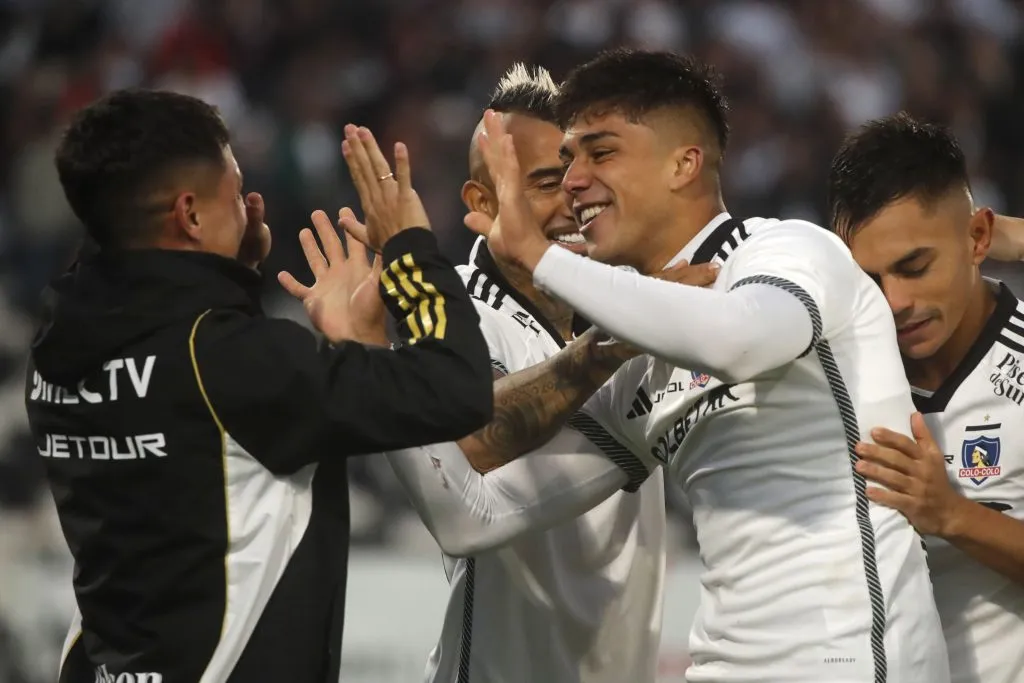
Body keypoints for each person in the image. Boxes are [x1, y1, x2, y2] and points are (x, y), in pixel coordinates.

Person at [464, 49, 950, 682]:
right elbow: (473, 507)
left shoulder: (790, 251)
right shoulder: (636, 359)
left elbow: (739, 341)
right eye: (567, 161)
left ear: (684, 163)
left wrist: (541, 257)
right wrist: (364, 345)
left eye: (600, 153)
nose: (574, 181)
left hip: (850, 662)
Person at [23, 89, 493, 683]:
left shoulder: (57, 347)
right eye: (235, 193)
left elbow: (179, 387)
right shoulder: (235, 363)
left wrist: (225, 274)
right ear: (190, 215)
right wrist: (409, 248)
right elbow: (456, 388)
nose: (250, 207)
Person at [322, 63, 713, 683]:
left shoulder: (624, 295)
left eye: (580, 175)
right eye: (544, 182)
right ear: (482, 201)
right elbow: (464, 499)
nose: (573, 199)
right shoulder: (465, 322)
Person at [827, 112, 1024, 683]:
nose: (894, 302)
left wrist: (953, 515)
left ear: (979, 238)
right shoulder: (836, 371)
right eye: (871, 280)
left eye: (915, 268)